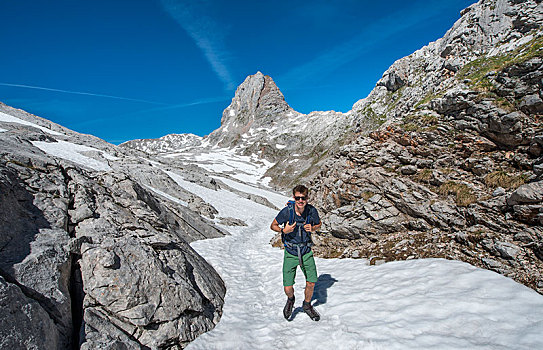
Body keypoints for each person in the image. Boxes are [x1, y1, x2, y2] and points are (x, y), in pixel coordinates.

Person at [270, 185, 322, 321]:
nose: (300, 200)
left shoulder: (311, 211)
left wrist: (313, 227)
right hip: (291, 252)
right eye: (297, 198)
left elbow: (319, 223)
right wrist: (283, 231)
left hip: (306, 251)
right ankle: (291, 299)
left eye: (303, 198)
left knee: (311, 282)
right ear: (294, 197)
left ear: (307, 198)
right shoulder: (287, 212)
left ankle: (307, 305)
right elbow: (273, 225)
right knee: (288, 287)